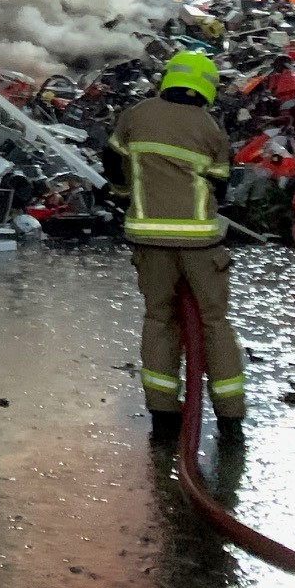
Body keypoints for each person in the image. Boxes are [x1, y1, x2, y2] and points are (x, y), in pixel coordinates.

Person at [104, 49, 247, 447]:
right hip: (201, 242)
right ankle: (231, 422)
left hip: (148, 238)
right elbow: (219, 187)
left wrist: (121, 193)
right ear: (205, 88)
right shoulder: (210, 129)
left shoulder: (136, 115)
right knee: (214, 323)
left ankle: (164, 417)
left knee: (159, 320)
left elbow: (113, 164)